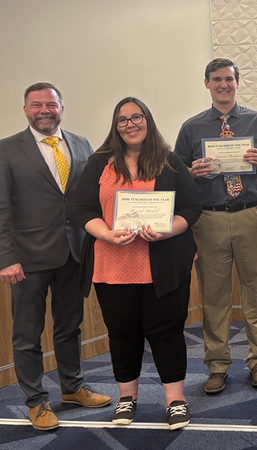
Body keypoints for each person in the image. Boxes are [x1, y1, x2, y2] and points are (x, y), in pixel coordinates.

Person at [73, 97, 201, 430]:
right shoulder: (99, 162)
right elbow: (82, 209)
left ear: (148, 120)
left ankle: (175, 400)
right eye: (123, 120)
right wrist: (106, 233)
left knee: (167, 333)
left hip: (162, 263)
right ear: (115, 127)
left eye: (136, 117)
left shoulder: (170, 161)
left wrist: (166, 231)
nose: (131, 124)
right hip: (112, 265)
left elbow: (191, 208)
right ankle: (127, 398)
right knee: (122, 334)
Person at [0, 82, 111, 431]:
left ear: (62, 108)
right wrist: (6, 257)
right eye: (37, 105)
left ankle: (73, 387)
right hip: (27, 259)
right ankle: (36, 401)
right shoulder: (6, 150)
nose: (44, 110)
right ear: (25, 110)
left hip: (74, 253)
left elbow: (91, 197)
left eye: (51, 104)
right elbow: (1, 208)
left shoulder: (81, 144)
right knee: (27, 335)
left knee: (69, 327)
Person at [174, 58, 257, 394]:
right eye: (216, 79)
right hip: (209, 219)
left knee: (256, 290)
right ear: (206, 83)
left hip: (252, 213)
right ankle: (217, 366)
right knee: (214, 295)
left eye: (229, 79)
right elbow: (176, 174)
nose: (223, 85)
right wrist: (192, 172)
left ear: (237, 82)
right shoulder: (191, 128)